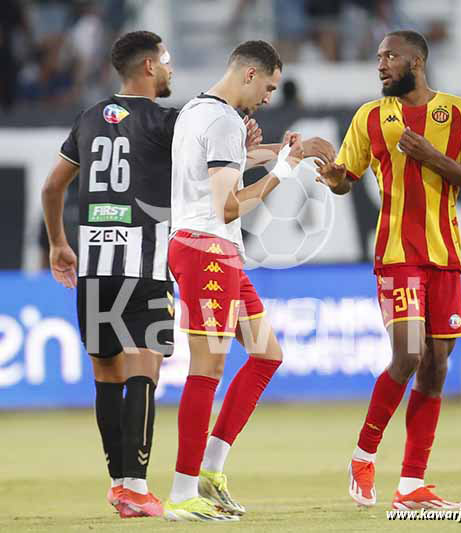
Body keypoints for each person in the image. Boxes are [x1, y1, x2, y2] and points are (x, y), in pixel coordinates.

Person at [315, 30, 461, 510]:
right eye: (378, 57)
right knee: (410, 354)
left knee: (435, 369)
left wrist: (432, 156)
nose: (381, 65)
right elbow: (344, 180)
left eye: (390, 56)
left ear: (417, 59)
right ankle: (363, 455)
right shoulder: (370, 117)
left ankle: (412, 486)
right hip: (397, 255)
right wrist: (333, 178)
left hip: (445, 257)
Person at [164, 40, 335, 522]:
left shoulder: (202, 110)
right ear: (248, 74)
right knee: (208, 368)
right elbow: (229, 205)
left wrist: (278, 153)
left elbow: (217, 167)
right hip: (207, 252)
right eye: (269, 86)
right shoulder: (221, 121)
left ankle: (210, 473)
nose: (268, 96)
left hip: (218, 253)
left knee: (266, 354)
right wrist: (282, 172)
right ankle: (181, 492)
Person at [41, 30, 177, 518]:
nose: (170, 68)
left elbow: (53, 187)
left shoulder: (88, 118)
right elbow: (218, 165)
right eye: (165, 60)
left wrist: (60, 243)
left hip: (96, 269)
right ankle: (137, 488)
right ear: (147, 67)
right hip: (147, 268)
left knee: (106, 375)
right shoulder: (167, 121)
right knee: (144, 369)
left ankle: (120, 485)